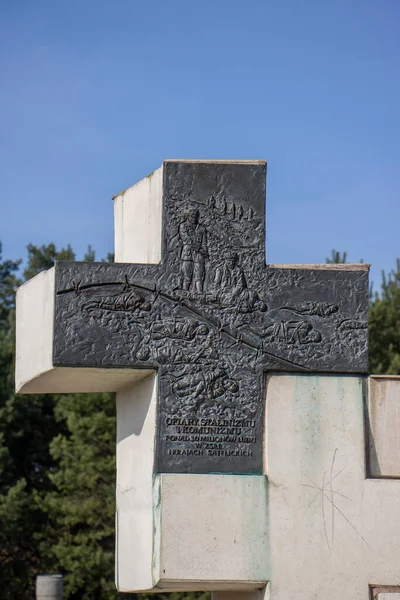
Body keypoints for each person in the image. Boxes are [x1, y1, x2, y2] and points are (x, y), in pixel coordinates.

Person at [178, 209, 208, 293]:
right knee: (187, 276)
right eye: (192, 216)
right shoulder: (183, 226)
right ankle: (184, 294)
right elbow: (187, 239)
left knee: (199, 276)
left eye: (195, 216)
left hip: (199, 256)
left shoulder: (202, 229)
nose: (193, 218)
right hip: (187, 254)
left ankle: (200, 294)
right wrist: (199, 249)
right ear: (188, 217)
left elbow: (204, 242)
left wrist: (205, 252)